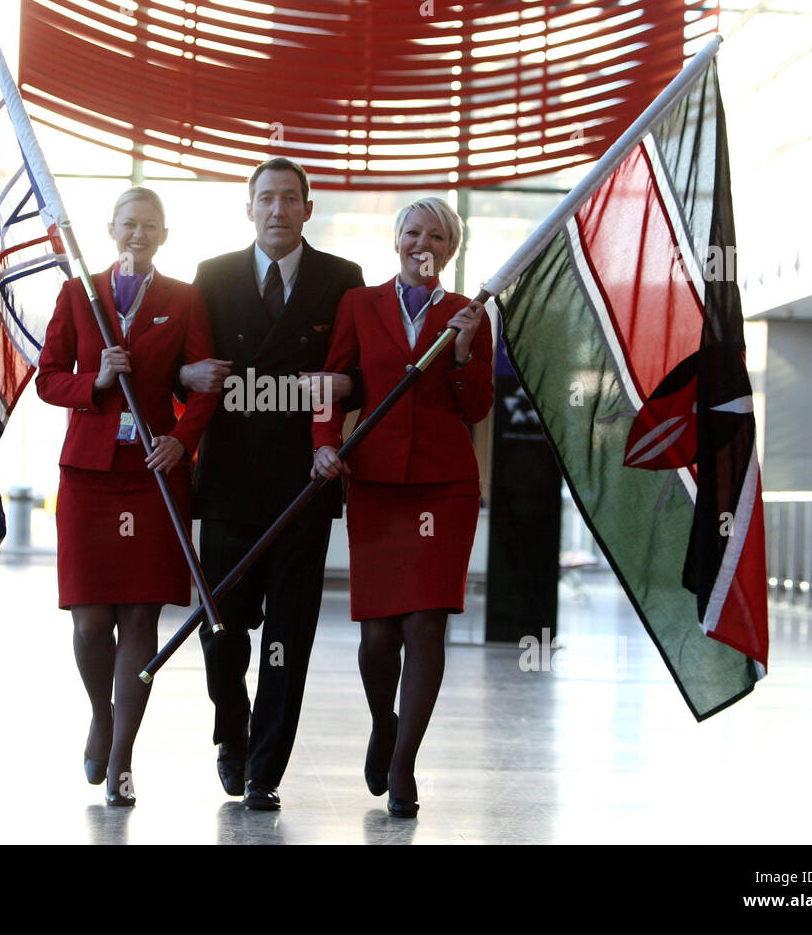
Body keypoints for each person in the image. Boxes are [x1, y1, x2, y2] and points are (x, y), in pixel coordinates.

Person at [178, 157, 364, 811]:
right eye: (267, 198)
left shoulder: (343, 281)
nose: (278, 209)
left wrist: (343, 393)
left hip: (303, 486)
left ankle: (264, 767)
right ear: (249, 208)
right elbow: (187, 368)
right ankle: (233, 731)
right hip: (228, 484)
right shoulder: (213, 276)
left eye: (291, 198)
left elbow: (357, 373)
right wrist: (185, 378)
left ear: (307, 209)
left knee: (289, 633)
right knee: (220, 628)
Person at [310, 196, 493, 818]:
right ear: (395, 242)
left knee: (425, 625)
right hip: (378, 482)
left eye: (437, 235)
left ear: (450, 249)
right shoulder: (358, 306)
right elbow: (329, 383)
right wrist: (323, 444)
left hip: (444, 486)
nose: (423, 243)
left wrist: (464, 354)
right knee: (378, 633)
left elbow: (475, 409)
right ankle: (382, 723)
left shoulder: (468, 315)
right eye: (412, 231)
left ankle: (405, 762)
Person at [35, 186, 218, 807]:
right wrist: (98, 380)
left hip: (152, 472)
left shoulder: (185, 299)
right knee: (90, 620)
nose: (138, 233)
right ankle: (101, 713)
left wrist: (182, 440)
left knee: (141, 613)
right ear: (111, 230)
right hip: (88, 472)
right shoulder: (78, 292)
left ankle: (122, 758)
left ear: (163, 236)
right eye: (129, 223)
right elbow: (48, 379)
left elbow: (206, 382)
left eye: (151, 225)